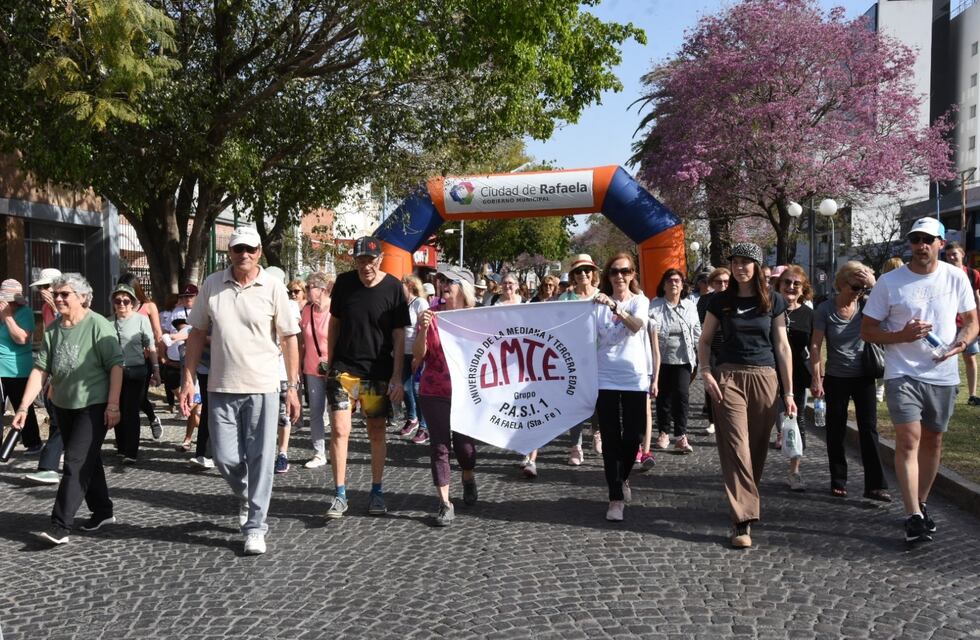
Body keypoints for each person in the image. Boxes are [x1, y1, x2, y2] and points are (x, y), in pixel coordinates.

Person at [180, 226, 301, 555]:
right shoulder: (212, 284)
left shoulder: (274, 287)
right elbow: (195, 333)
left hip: (263, 386)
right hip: (220, 386)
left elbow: (289, 338)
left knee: (261, 459)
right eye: (238, 249)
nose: (243, 254)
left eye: (250, 249)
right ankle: (249, 495)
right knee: (223, 456)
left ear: (259, 252)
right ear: (229, 253)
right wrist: (188, 378)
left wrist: (292, 388)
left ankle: (255, 525)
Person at [861, 218, 977, 544]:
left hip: (943, 373)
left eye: (928, 239)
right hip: (903, 372)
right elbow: (867, 330)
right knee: (909, 439)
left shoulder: (957, 278)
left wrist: (961, 343)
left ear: (941, 242)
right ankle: (912, 514)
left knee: (933, 441)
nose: (921, 245)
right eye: (915, 239)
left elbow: (971, 322)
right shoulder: (890, 281)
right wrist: (901, 335)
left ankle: (922, 502)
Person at [12, 274, 123, 545]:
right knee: (88, 460)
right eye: (57, 294)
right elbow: (41, 369)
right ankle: (103, 511)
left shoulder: (99, 326)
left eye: (65, 294)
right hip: (63, 405)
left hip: (93, 406)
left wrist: (113, 405)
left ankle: (60, 525)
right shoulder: (53, 329)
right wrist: (24, 406)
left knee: (75, 462)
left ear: (83, 297)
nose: (58, 298)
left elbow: (116, 367)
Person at [698, 243, 796, 549]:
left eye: (747, 262)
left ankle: (746, 499)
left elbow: (782, 347)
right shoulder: (719, 301)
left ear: (757, 266)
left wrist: (789, 391)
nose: (741, 267)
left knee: (755, 450)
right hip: (729, 378)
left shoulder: (773, 300)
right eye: (736, 262)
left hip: (765, 378)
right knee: (737, 447)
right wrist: (705, 372)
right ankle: (743, 521)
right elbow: (704, 341)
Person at [323, 236, 409, 519]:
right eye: (360, 260)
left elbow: (399, 336)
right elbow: (334, 325)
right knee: (339, 429)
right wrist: (330, 362)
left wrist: (397, 376)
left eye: (370, 260)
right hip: (344, 370)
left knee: (376, 431)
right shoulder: (345, 284)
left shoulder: (395, 289)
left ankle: (376, 490)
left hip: (377, 372)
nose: (365, 266)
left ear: (380, 260)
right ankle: (339, 493)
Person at [810, 261, 890, 502]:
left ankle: (875, 485)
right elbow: (815, 345)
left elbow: (889, 305)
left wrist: (873, 284)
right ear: (842, 283)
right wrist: (817, 377)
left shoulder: (867, 305)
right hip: (836, 377)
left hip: (864, 375)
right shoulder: (825, 309)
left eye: (862, 288)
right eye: (855, 286)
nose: (859, 292)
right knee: (835, 429)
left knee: (869, 430)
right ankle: (838, 479)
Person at [414, 267, 480, 526]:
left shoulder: (478, 318)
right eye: (441, 281)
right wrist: (422, 329)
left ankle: (468, 475)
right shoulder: (431, 316)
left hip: (466, 392)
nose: (443, 285)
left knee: (465, 448)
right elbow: (419, 355)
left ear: (463, 288)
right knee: (440, 447)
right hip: (434, 389)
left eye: (449, 281)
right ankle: (445, 503)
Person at [593, 253, 653, 522]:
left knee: (633, 435)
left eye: (625, 271)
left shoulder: (641, 301)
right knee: (609, 437)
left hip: (633, 377)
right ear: (608, 275)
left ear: (632, 274)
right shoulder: (596, 304)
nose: (619, 276)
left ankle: (623, 476)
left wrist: (616, 308)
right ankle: (615, 496)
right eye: (614, 271)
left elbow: (637, 326)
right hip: (604, 376)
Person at [649, 268, 700, 455]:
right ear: (663, 284)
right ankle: (663, 432)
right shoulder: (654, 306)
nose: (674, 283)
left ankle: (681, 435)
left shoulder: (690, 306)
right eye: (670, 280)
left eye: (677, 280)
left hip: (684, 358)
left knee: (682, 396)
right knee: (663, 397)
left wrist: (701, 353)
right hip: (661, 358)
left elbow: (697, 333)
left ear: (682, 284)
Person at [109, 283, 160, 464]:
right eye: (118, 300)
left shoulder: (141, 320)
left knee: (131, 411)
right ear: (113, 303)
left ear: (132, 302)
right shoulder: (107, 322)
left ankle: (131, 451)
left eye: (126, 300)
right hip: (115, 372)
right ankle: (121, 448)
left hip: (137, 370)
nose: (122, 304)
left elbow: (150, 345)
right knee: (117, 408)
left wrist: (156, 370)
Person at [559, 254, 601, 463]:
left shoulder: (602, 295)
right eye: (578, 271)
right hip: (573, 358)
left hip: (599, 356)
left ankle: (597, 433)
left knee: (598, 400)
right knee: (575, 402)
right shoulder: (565, 298)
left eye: (587, 270)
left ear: (593, 273)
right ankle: (575, 446)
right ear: (573, 276)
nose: (583, 274)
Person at [774, 265, 812, 491]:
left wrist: (817, 377)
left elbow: (815, 348)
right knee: (760, 420)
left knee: (797, 421)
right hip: (769, 372)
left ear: (803, 288)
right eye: (786, 282)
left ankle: (794, 471)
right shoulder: (768, 309)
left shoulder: (808, 314)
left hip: (797, 375)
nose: (791, 287)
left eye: (796, 283)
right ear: (778, 286)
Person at [117, 273, 164, 440]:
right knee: (124, 397)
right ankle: (125, 437)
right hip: (122, 359)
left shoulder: (148, 306)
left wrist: (159, 357)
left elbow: (157, 333)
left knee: (138, 397)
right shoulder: (120, 304)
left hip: (144, 358)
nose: (122, 294)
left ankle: (151, 419)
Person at [1, 279, 42, 455]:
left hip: (18, 368)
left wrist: (7, 317)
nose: (12, 304)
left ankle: (33, 442)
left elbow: (21, 339)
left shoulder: (25, 313)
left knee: (23, 406)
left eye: (14, 301)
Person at [299, 272, 332, 469]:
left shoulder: (335, 310)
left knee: (336, 412)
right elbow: (302, 341)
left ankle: (338, 447)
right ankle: (319, 452)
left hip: (333, 369)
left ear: (321, 289)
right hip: (311, 369)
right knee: (315, 412)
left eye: (309, 287)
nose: (306, 291)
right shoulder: (307, 310)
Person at [944, 242, 980, 405]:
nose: (951, 257)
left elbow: (977, 297)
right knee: (946, 357)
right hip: (948, 323)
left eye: (954, 254)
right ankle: (949, 390)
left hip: (967, 324)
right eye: (948, 254)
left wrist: (977, 321)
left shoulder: (973, 274)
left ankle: (972, 395)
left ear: (962, 254)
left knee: (970, 358)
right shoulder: (942, 273)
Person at [697, 267, 731, 434]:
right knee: (710, 383)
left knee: (728, 384)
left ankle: (727, 417)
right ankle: (712, 420)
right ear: (712, 283)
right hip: (710, 345)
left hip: (728, 345)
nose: (723, 285)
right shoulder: (705, 300)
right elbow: (702, 325)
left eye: (726, 281)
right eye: (719, 282)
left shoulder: (735, 299)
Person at [399, 275, 429, 441]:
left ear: (409, 285)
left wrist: (418, 356)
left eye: (401, 284)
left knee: (418, 390)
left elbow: (424, 328)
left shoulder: (420, 303)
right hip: (402, 351)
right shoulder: (401, 304)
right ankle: (412, 417)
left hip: (416, 352)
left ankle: (424, 426)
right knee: (405, 388)